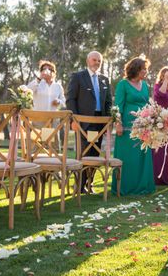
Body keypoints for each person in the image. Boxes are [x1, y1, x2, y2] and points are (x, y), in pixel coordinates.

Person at [66, 51, 113, 193]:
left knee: (95, 155)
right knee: (83, 154)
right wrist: (73, 120)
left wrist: (109, 121)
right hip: (83, 123)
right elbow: (70, 99)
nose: (97, 63)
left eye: (99, 61)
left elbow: (108, 102)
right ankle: (79, 186)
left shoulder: (104, 80)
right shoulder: (78, 77)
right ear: (88, 60)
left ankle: (89, 184)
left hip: (100, 122)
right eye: (94, 60)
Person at [112, 56, 155, 196]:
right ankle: (124, 187)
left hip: (143, 127)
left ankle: (142, 187)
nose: (146, 72)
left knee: (142, 156)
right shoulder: (123, 84)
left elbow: (147, 104)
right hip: (126, 129)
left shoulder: (145, 86)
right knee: (128, 157)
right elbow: (118, 106)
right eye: (144, 69)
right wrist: (118, 123)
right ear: (136, 69)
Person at [152, 66, 168, 185]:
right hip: (160, 121)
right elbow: (160, 95)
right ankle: (158, 177)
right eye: (165, 75)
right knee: (160, 150)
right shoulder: (158, 87)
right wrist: (165, 81)